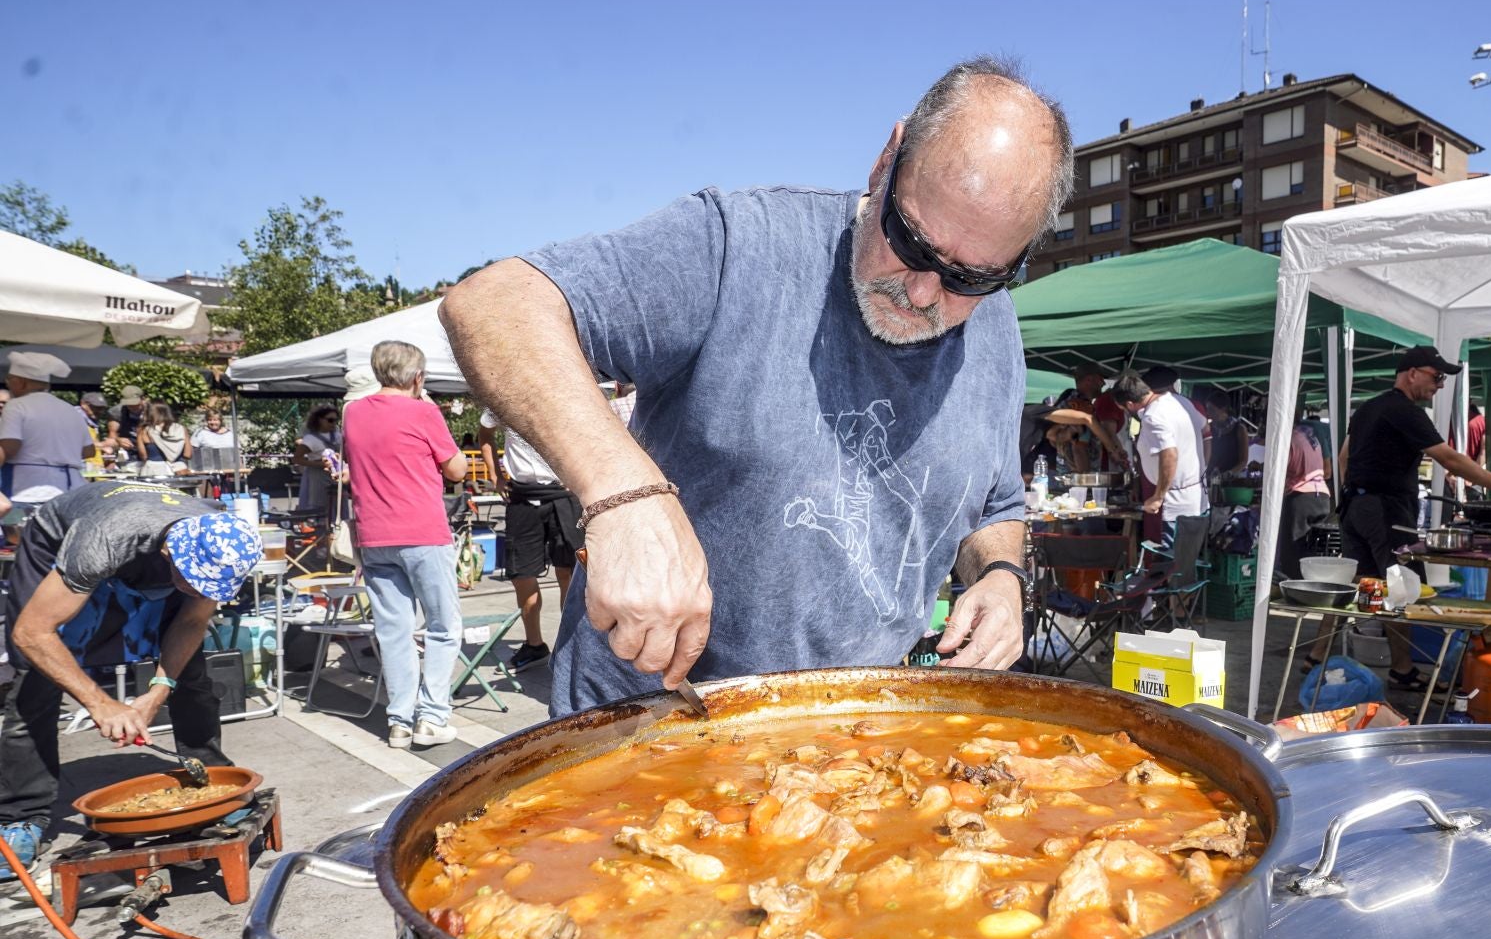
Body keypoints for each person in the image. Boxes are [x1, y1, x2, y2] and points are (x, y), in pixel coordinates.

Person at [441, 57, 1070, 711]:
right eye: (911, 243)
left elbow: (993, 503)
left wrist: (999, 576)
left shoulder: (997, 330)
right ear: (888, 160)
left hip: (852, 738)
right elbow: (495, 306)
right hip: (652, 724)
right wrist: (621, 490)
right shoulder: (742, 245)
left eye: (969, 279)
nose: (921, 292)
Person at [0, 482, 261, 880]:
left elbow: (192, 621)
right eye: (194, 581)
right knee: (34, 679)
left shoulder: (218, 537)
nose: (200, 593)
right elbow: (32, 633)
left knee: (190, 673)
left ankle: (210, 778)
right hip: (62, 542)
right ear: (170, 552)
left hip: (141, 546)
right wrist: (100, 702)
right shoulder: (104, 539)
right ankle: (21, 816)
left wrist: (158, 692)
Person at [1340, 347, 1491, 689]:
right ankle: (1400, 669)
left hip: (1356, 507)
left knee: (1364, 587)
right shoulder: (1404, 410)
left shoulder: (1369, 407)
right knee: (1402, 591)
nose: (1441, 385)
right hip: (1386, 511)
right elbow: (1450, 459)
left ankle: (1338, 663)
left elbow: (1344, 457)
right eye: (1437, 376)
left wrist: (1350, 497)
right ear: (1412, 373)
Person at [342, 340, 468, 749]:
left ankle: (398, 721)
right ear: (418, 376)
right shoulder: (424, 411)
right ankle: (431, 717)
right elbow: (457, 470)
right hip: (422, 531)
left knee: (394, 630)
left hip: (374, 533)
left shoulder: (353, 413)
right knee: (443, 627)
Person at [480, 405, 582, 669]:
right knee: (522, 574)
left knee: (569, 573)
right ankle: (534, 644)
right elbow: (485, 434)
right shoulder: (500, 397)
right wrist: (495, 475)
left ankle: (570, 648)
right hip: (522, 495)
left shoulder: (564, 393)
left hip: (563, 494)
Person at [1111, 373, 1209, 587]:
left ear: (1129, 403)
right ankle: (1179, 613)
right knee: (1185, 564)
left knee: (1173, 566)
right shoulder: (1180, 401)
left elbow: (1169, 454)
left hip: (1175, 502)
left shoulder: (1153, 416)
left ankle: (1171, 612)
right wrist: (1202, 469)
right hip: (1194, 495)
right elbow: (1206, 431)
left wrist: (1158, 496)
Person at [0, 351, 91, 507]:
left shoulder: (16, 406)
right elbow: (88, 451)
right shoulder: (70, 409)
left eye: (9, 381)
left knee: (21, 531)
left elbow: (10, 447)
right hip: (71, 488)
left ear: (21, 383)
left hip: (26, 489)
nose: (8, 385)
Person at [1279, 408, 1331, 580]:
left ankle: (1293, 589)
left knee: (1293, 550)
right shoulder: (1310, 437)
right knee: (1315, 550)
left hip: (1300, 497)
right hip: (1322, 496)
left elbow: (1280, 473)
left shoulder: (1290, 440)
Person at [293, 404, 344, 511]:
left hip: (338, 475)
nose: (333, 423)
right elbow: (297, 459)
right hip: (318, 476)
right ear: (320, 420)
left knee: (339, 506)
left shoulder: (338, 435)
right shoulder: (311, 438)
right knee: (319, 507)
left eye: (336, 420)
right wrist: (319, 464)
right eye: (330, 420)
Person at [1199, 388, 1253, 477]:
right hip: (1210, 477)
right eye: (1207, 410)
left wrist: (1229, 474)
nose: (1208, 413)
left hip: (1232, 480)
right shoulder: (1208, 428)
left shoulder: (1239, 429)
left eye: (1212, 409)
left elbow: (1243, 461)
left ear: (1223, 409)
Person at [136, 402, 191, 478]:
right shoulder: (180, 429)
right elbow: (187, 454)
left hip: (153, 470)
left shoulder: (144, 430)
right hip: (178, 471)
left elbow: (143, 456)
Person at [1464, 403, 1488, 468]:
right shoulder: (1484, 421)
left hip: (1464, 464)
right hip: (1476, 465)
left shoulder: (1469, 423)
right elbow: (1483, 451)